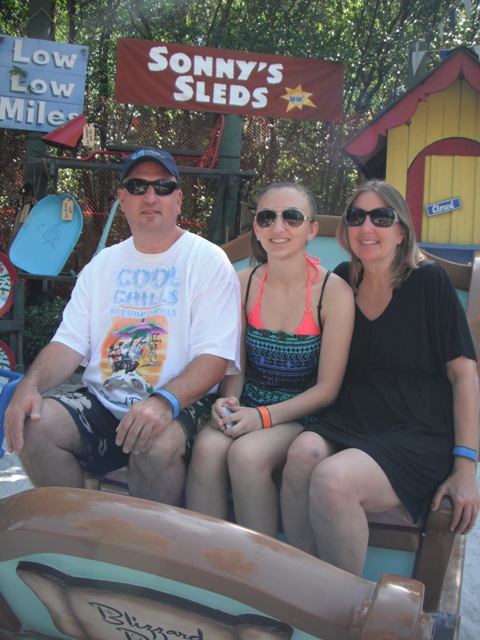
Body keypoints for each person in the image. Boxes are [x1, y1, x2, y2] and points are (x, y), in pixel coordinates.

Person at [4, 147, 241, 506]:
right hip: (103, 404)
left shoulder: (208, 261)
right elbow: (68, 344)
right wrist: (30, 385)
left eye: (163, 187)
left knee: (153, 443)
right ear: (122, 199)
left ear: (178, 200)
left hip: (181, 403)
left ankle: (147, 539)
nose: (151, 197)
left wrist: (163, 402)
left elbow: (215, 359)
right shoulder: (103, 265)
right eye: (137, 186)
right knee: (35, 424)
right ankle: (78, 529)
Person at [280, 180, 480, 575]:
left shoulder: (429, 282)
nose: (366, 227)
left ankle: (343, 605)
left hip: (416, 429)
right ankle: (303, 587)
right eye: (357, 217)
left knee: (333, 480)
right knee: (301, 455)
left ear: (401, 230)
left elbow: (464, 375)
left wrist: (465, 468)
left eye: (381, 217)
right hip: (352, 419)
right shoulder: (342, 280)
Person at [186, 182, 354, 536]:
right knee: (207, 448)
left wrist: (262, 417)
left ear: (311, 230)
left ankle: (258, 562)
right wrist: (228, 402)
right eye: (266, 218)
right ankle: (207, 557)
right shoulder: (242, 283)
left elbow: (327, 389)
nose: (278, 227)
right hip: (249, 403)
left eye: (291, 217)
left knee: (247, 455)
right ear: (257, 229)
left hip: (301, 413)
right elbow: (237, 364)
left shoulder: (333, 292)